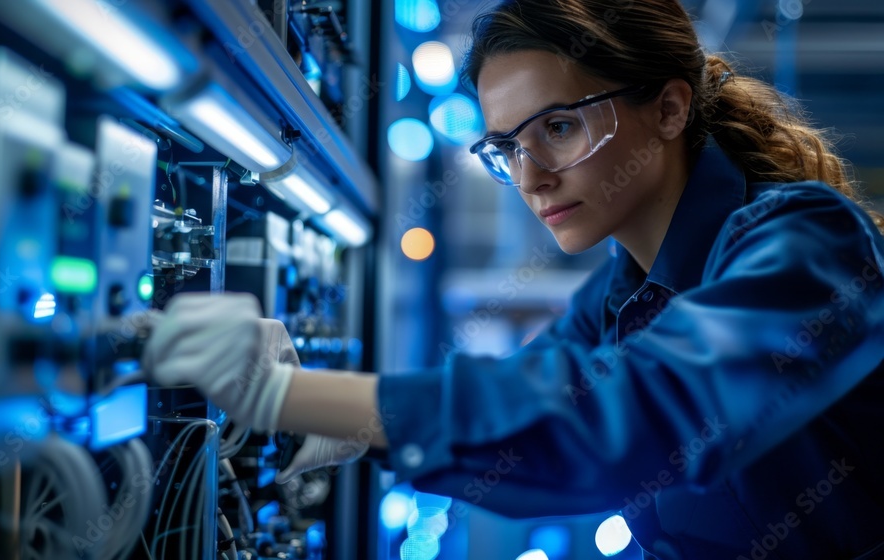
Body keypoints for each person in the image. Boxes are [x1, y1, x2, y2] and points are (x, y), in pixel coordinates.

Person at [142, 0, 884, 557]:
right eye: (505, 148)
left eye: (558, 127)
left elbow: (628, 420)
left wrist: (291, 396)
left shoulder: (810, 243)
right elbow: (526, 405)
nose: (530, 178)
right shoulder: (618, 296)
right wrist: (336, 417)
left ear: (667, 107)